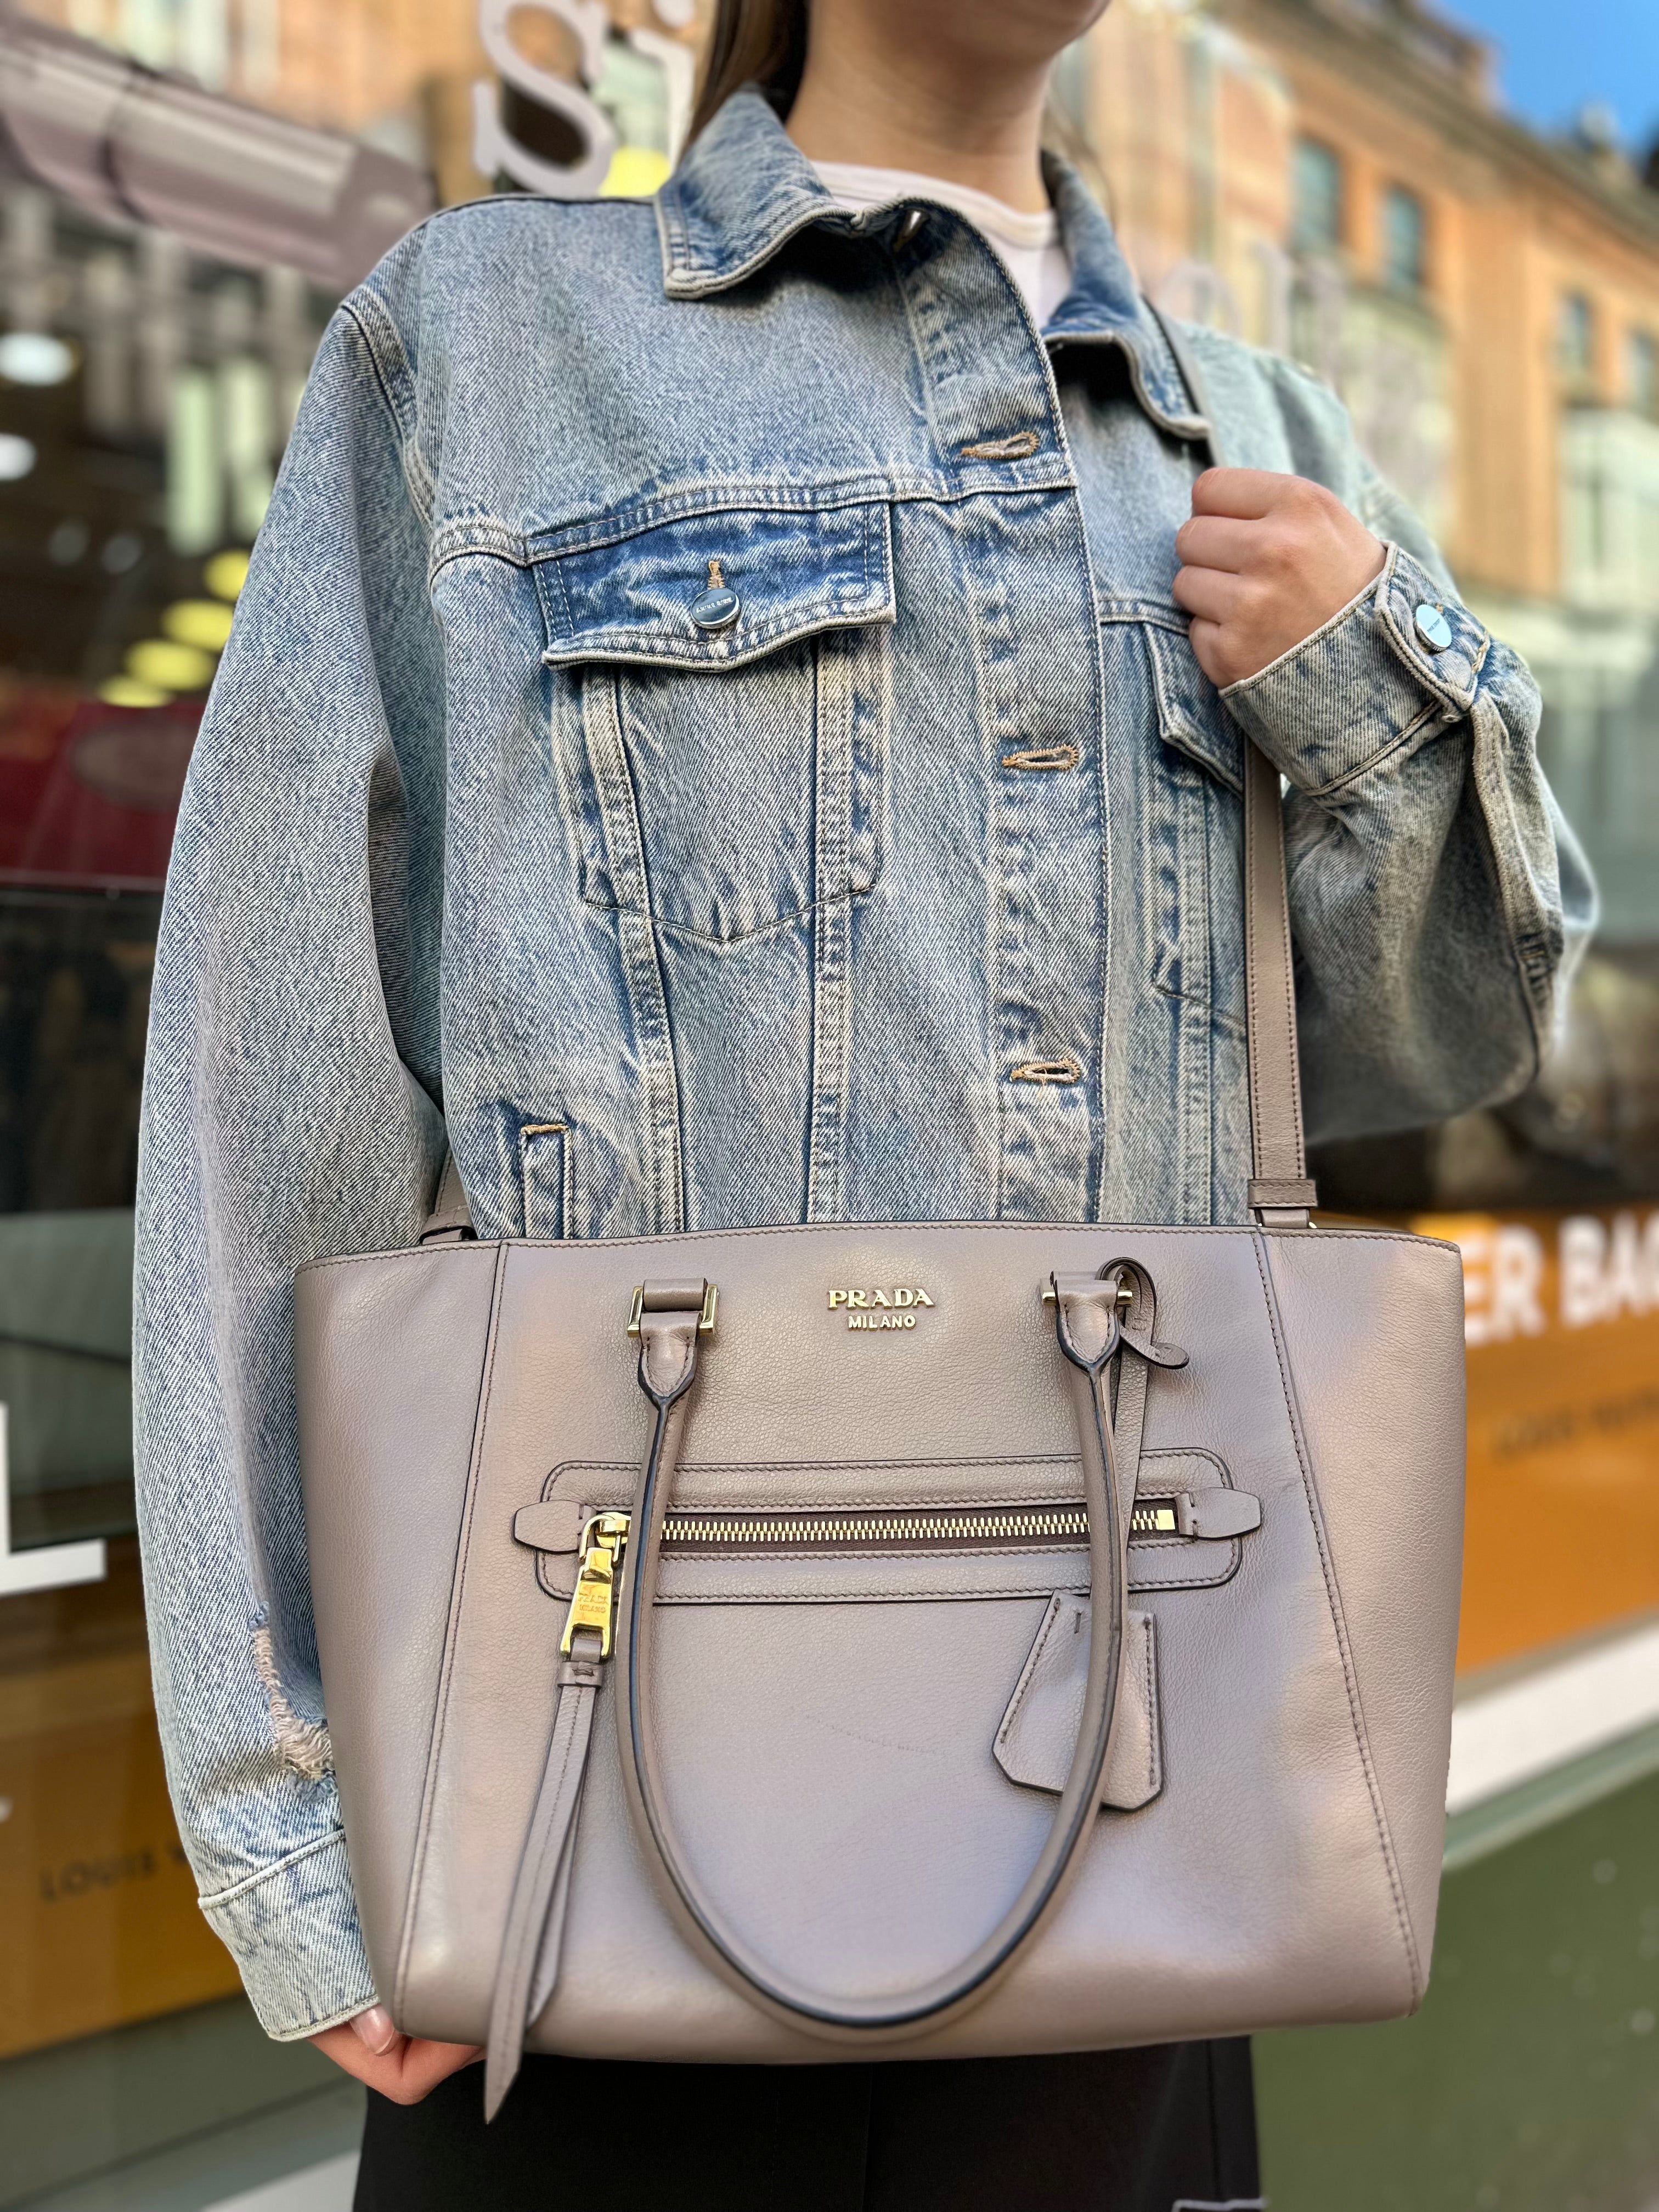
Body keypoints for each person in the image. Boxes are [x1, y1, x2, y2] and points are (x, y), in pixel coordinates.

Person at [132, 0, 1594, 2203]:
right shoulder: (491, 343)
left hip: (1139, 1815)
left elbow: (1442, 1040)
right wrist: (292, 1812)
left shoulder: (1257, 433)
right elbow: (271, 1083)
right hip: (579, 1825)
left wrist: (1367, 682)